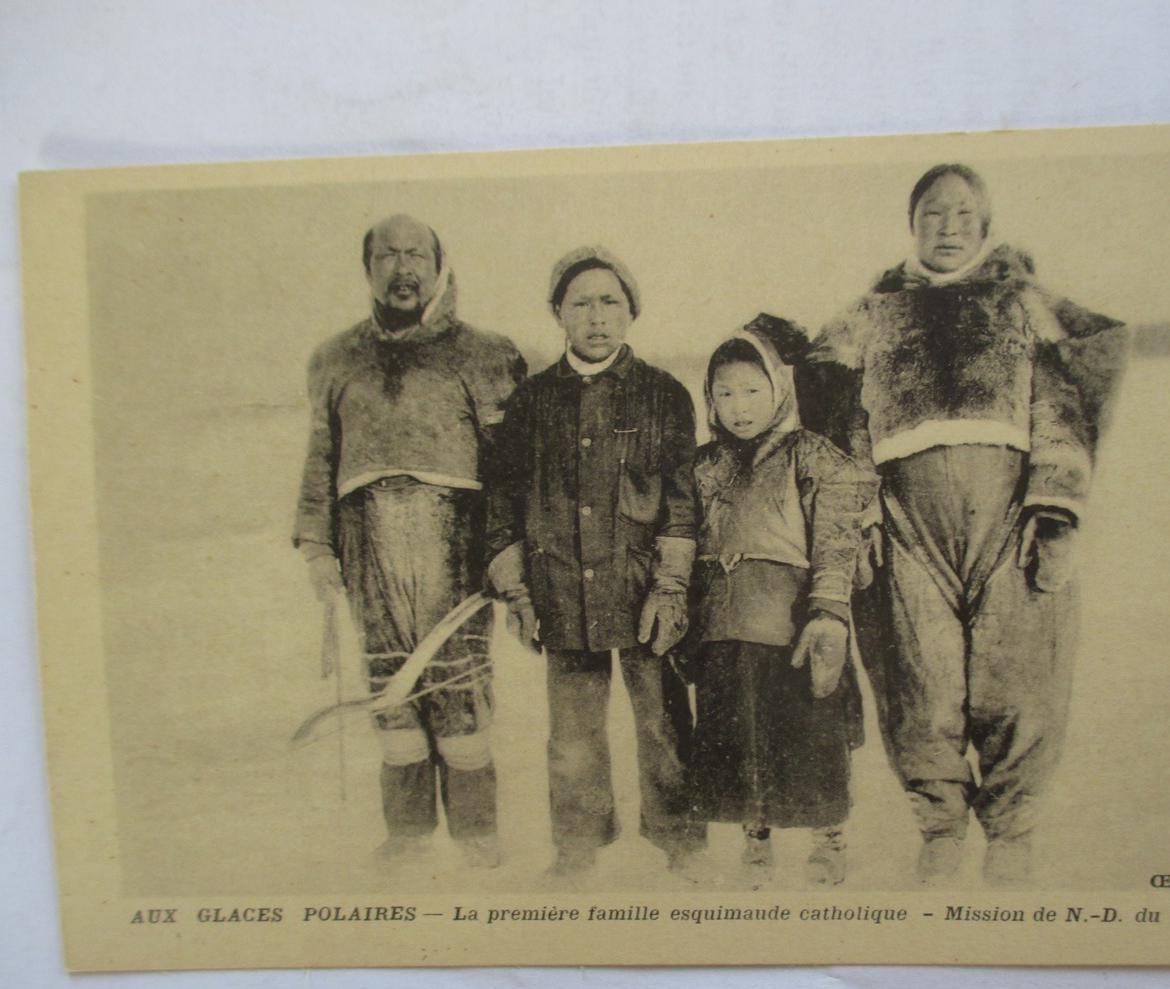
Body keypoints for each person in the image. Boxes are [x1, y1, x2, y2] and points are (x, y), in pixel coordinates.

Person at [801, 164, 1129, 885]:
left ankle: (1011, 830)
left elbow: (1060, 404)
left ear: (985, 224)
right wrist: (860, 513)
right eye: (932, 215)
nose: (947, 228)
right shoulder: (873, 312)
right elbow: (837, 414)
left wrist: (1055, 510)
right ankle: (941, 828)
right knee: (921, 680)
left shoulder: (1021, 303)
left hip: (1008, 515)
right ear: (911, 224)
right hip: (906, 524)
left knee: (1017, 679)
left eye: (962, 215)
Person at [293, 214, 526, 866]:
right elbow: (321, 456)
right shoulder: (335, 359)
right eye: (388, 255)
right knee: (390, 688)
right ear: (367, 268)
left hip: (453, 541)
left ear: (437, 263)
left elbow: (508, 465)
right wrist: (317, 547)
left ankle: (478, 833)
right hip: (367, 541)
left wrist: (509, 548)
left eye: (416, 254)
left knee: (455, 686)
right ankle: (408, 835)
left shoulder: (485, 353)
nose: (403, 268)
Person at [486, 246, 706, 879]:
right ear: (558, 313)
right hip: (561, 590)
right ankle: (577, 848)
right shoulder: (530, 402)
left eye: (610, 300)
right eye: (580, 302)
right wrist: (519, 594)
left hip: (641, 590)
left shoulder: (664, 394)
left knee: (664, 723)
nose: (596, 315)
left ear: (631, 311)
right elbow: (503, 502)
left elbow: (683, 502)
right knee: (573, 736)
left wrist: (670, 589)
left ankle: (681, 844)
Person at [683, 315, 879, 885]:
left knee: (809, 732)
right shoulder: (704, 466)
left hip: (794, 624)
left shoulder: (809, 453)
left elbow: (837, 536)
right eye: (725, 394)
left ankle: (828, 838)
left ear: (778, 388)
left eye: (752, 390)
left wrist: (827, 608)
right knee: (739, 734)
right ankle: (755, 835)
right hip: (726, 623)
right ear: (710, 401)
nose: (739, 406)